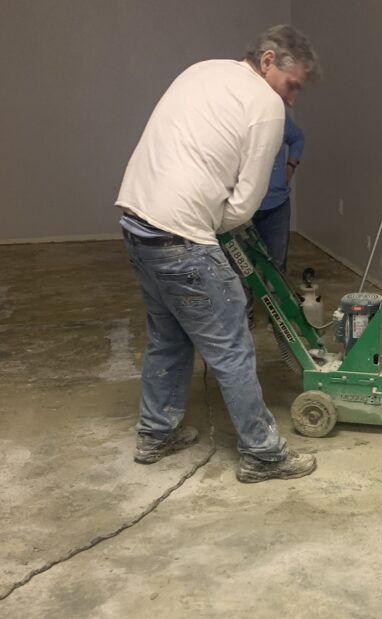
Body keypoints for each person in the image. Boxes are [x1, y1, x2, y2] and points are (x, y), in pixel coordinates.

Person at [115, 25, 320, 483]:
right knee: (231, 348)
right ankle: (263, 454)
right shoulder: (265, 105)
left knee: (168, 336)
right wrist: (214, 226)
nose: (292, 99)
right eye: (293, 86)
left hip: (136, 220)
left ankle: (155, 433)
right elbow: (245, 207)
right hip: (182, 236)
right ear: (268, 61)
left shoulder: (203, 70)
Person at [247, 111, 304, 325]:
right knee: (242, 266)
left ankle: (279, 319)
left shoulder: (278, 116)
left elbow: (298, 138)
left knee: (276, 265)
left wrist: (290, 167)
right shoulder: (238, 119)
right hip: (244, 209)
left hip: (277, 204)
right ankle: (244, 319)